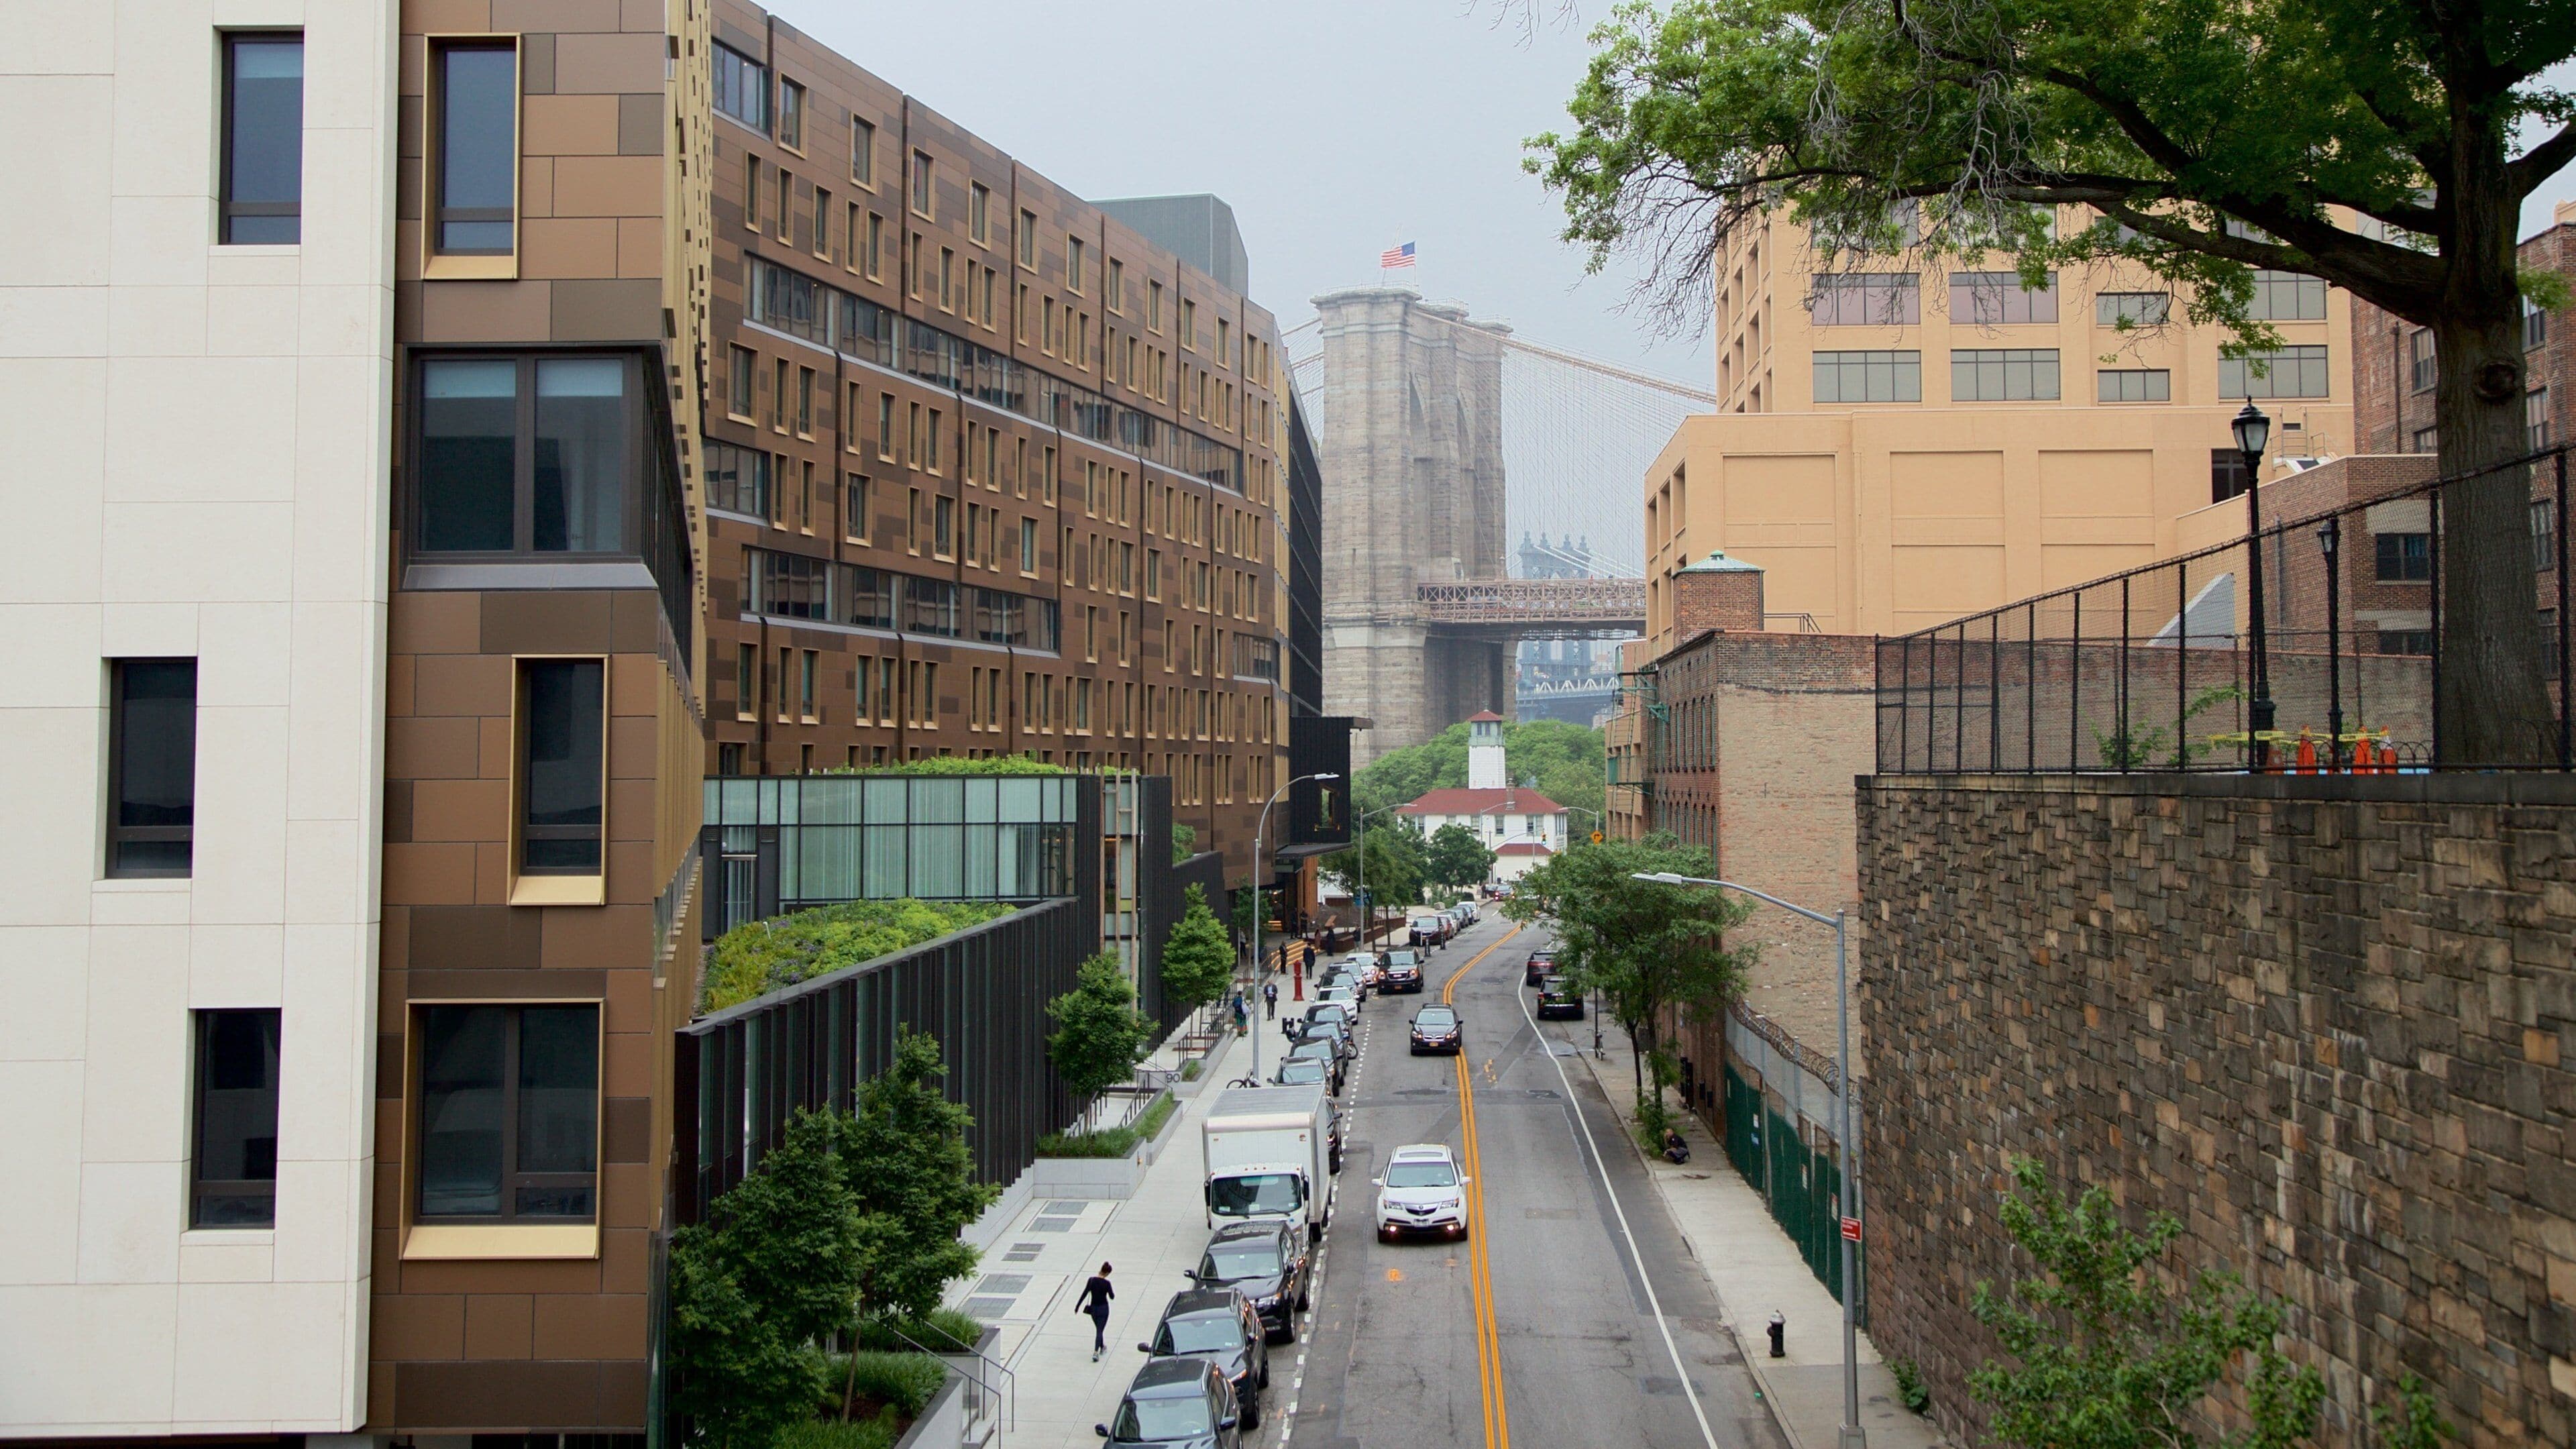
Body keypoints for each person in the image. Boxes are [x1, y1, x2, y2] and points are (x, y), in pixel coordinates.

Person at [1077, 1262, 1115, 1360]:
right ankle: (1095, 1352)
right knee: (1099, 1330)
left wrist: (1078, 1306)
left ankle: (1102, 1347)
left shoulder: (1091, 1280)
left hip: (1094, 1309)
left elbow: (1085, 1293)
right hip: (1103, 1309)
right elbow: (1112, 1297)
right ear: (1107, 1273)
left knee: (1099, 1329)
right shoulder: (1107, 1283)